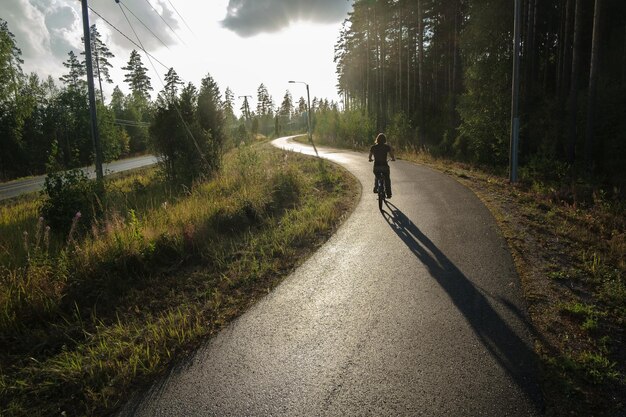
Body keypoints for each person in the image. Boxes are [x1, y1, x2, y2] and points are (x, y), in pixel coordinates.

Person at [368, 133, 395, 198]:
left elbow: (370, 156)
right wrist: (393, 158)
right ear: (384, 140)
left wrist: (370, 159)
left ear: (377, 139)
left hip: (376, 166)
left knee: (377, 176)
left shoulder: (373, 147)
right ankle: (388, 193)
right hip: (384, 166)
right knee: (387, 179)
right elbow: (391, 154)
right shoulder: (387, 147)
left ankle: (376, 188)